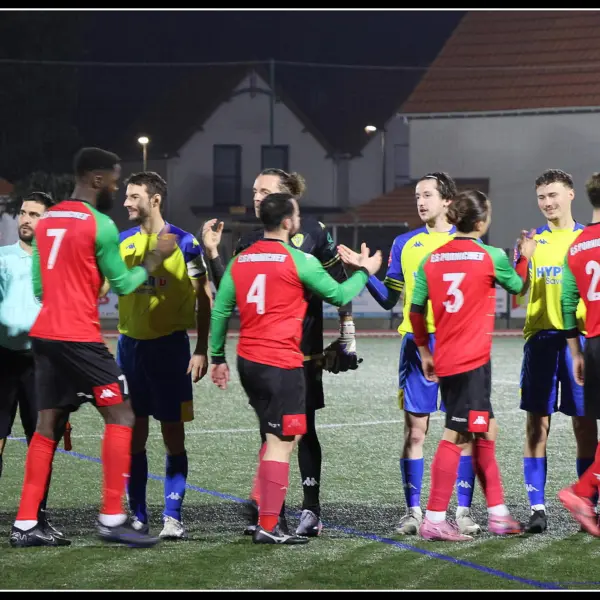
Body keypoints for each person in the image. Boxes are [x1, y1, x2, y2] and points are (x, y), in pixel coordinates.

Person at [9, 147, 176, 548]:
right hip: (77, 336)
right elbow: (124, 285)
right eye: (115, 181)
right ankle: (112, 517)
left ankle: (26, 523)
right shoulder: (99, 225)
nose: (117, 188)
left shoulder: (48, 221)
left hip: (45, 335)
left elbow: (39, 287)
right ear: (97, 179)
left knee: (47, 426)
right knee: (122, 413)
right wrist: (154, 257)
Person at [208, 192, 382, 544]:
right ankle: (268, 524)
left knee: (278, 436)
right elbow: (338, 294)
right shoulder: (299, 260)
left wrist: (217, 357)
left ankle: (264, 512)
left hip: (248, 363)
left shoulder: (241, 259)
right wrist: (365, 271)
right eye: (297, 213)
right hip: (282, 363)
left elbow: (222, 309)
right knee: (283, 442)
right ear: (288, 221)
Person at [380, 189, 535, 540]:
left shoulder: (431, 259)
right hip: (471, 362)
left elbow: (415, 311)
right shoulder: (491, 256)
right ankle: (435, 518)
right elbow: (518, 287)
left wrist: (424, 351)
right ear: (481, 222)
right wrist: (524, 257)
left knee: (486, 430)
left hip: (447, 357)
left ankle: (498, 513)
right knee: (457, 433)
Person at [365, 172, 480, 536]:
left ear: (447, 200)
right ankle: (413, 511)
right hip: (416, 345)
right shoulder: (405, 243)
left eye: (427, 195)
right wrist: (365, 273)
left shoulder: (468, 240)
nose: (420, 202)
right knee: (416, 431)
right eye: (417, 196)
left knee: (462, 431)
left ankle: (463, 511)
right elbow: (389, 298)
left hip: (458, 344)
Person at [116, 171, 212, 539]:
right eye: (126, 195)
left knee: (173, 434)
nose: (126, 202)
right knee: (134, 436)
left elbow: (204, 296)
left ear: (155, 200)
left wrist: (202, 348)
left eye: (134, 196)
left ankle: (173, 517)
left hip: (171, 350)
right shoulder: (122, 242)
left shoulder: (187, 244)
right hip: (130, 350)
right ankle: (139, 516)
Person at [516, 168, 597, 534]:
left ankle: (588, 505)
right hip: (541, 340)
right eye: (541, 197)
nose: (547, 203)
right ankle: (537, 508)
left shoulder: (587, 239)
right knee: (537, 424)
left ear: (570, 195)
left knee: (585, 423)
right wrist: (523, 257)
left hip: (580, 341)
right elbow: (518, 291)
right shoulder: (532, 241)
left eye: (553, 195)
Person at [0, 191, 70, 542]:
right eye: (23, 213)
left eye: (34, 214)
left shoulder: (58, 264)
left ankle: (35, 521)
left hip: (43, 365)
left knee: (41, 444)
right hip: (3, 361)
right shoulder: (2, 258)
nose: (26, 219)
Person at [558, 171, 600, 536]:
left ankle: (585, 493)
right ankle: (583, 491)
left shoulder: (576, 247)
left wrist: (577, 353)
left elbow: (566, 305)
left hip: (593, 344)